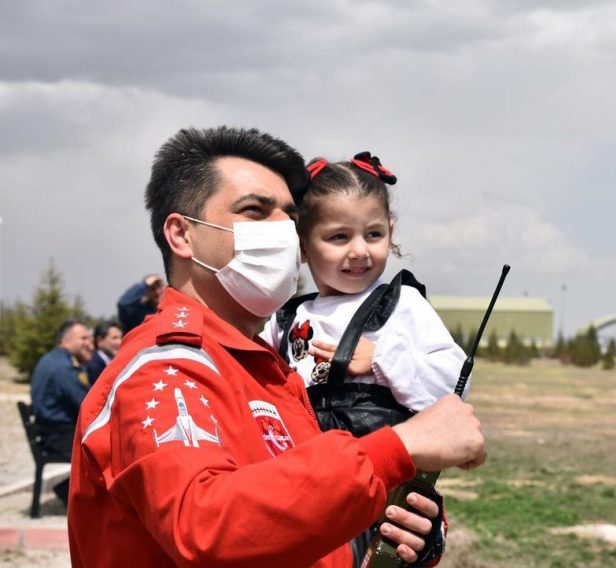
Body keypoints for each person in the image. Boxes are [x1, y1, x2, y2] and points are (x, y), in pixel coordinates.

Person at [68, 126, 485, 568]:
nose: (282, 232)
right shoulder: (167, 371)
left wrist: (402, 535)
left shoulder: (265, 367)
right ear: (182, 234)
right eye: (254, 210)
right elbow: (210, 528)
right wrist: (394, 450)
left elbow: (296, 509)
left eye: (289, 216)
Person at [260, 152, 467, 431]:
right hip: (305, 466)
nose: (359, 251)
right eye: (339, 237)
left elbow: (455, 385)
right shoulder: (286, 319)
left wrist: (382, 361)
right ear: (303, 246)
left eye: (373, 234)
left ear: (390, 233)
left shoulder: (400, 304)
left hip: (378, 469)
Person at [30, 319, 93, 505]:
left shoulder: (53, 359)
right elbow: (87, 404)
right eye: (84, 338)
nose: (89, 344)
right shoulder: (64, 368)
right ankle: (73, 493)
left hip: (53, 433)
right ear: (66, 341)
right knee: (114, 445)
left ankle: (66, 490)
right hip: (60, 436)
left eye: (90, 339)